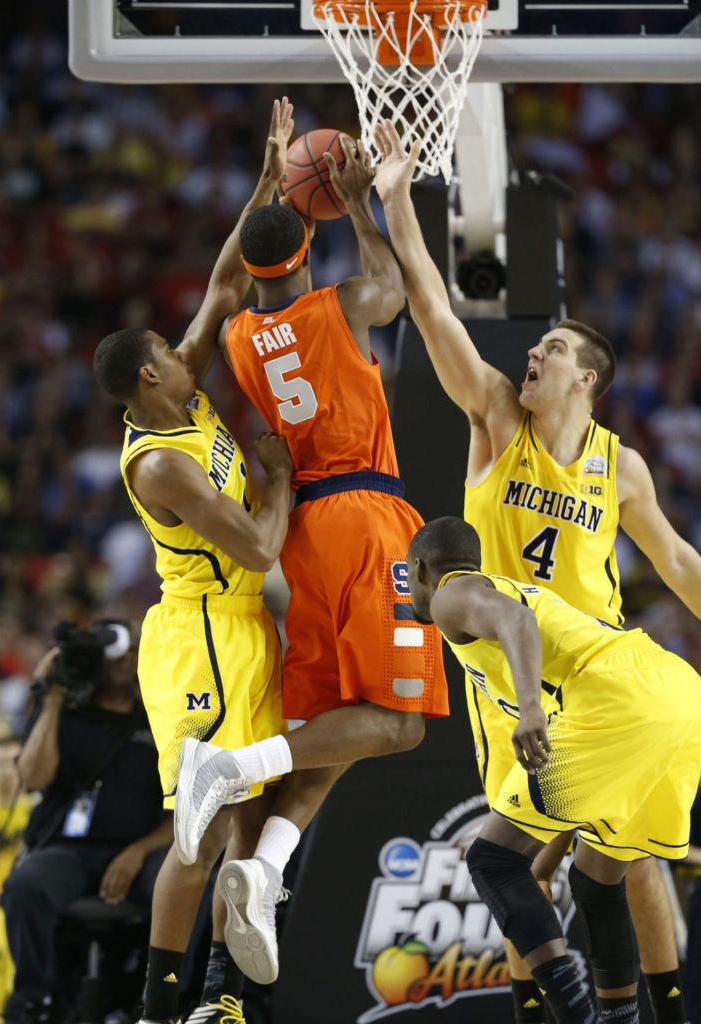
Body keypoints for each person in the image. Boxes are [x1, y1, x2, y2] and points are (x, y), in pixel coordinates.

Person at [373, 118, 701, 1024]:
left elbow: (675, 563)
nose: (533, 352)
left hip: (592, 661)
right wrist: (397, 200)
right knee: (536, 864)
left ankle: (651, 1010)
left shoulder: (618, 465)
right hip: (508, 664)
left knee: (617, 860)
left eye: (552, 348)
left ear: (587, 380)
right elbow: (435, 308)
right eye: (535, 345)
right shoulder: (495, 423)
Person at [173, 131, 449, 982]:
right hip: (368, 517)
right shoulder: (338, 306)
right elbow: (398, 288)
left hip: (303, 533)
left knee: (335, 732)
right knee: (399, 726)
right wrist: (361, 200)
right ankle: (232, 768)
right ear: (305, 251)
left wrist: (270, 192)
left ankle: (264, 869)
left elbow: (224, 284)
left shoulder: (238, 339)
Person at [93, 98, 340, 1024]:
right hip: (200, 634)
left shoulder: (182, 398)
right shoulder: (161, 461)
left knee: (250, 809)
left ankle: (221, 1001)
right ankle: (164, 1008)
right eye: (168, 349)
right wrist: (276, 468)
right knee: (196, 838)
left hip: (240, 623)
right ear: (149, 378)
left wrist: (273, 174)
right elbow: (263, 543)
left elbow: (225, 282)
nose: (184, 344)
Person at [406, 515, 701, 1024]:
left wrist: (528, 708)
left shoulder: (451, 594)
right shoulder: (503, 586)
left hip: (613, 701)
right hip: (677, 690)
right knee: (598, 878)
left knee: (493, 862)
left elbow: (514, 621)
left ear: (421, 569)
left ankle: (575, 1016)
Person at [1, 620, 173, 1024]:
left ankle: (164, 1000)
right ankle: (35, 999)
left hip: (142, 848)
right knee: (24, 885)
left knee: (181, 887)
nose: (124, 659)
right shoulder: (67, 710)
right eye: (114, 651)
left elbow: (181, 811)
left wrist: (138, 851)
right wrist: (53, 696)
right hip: (69, 849)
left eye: (133, 650)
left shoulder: (162, 719)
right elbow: (33, 779)